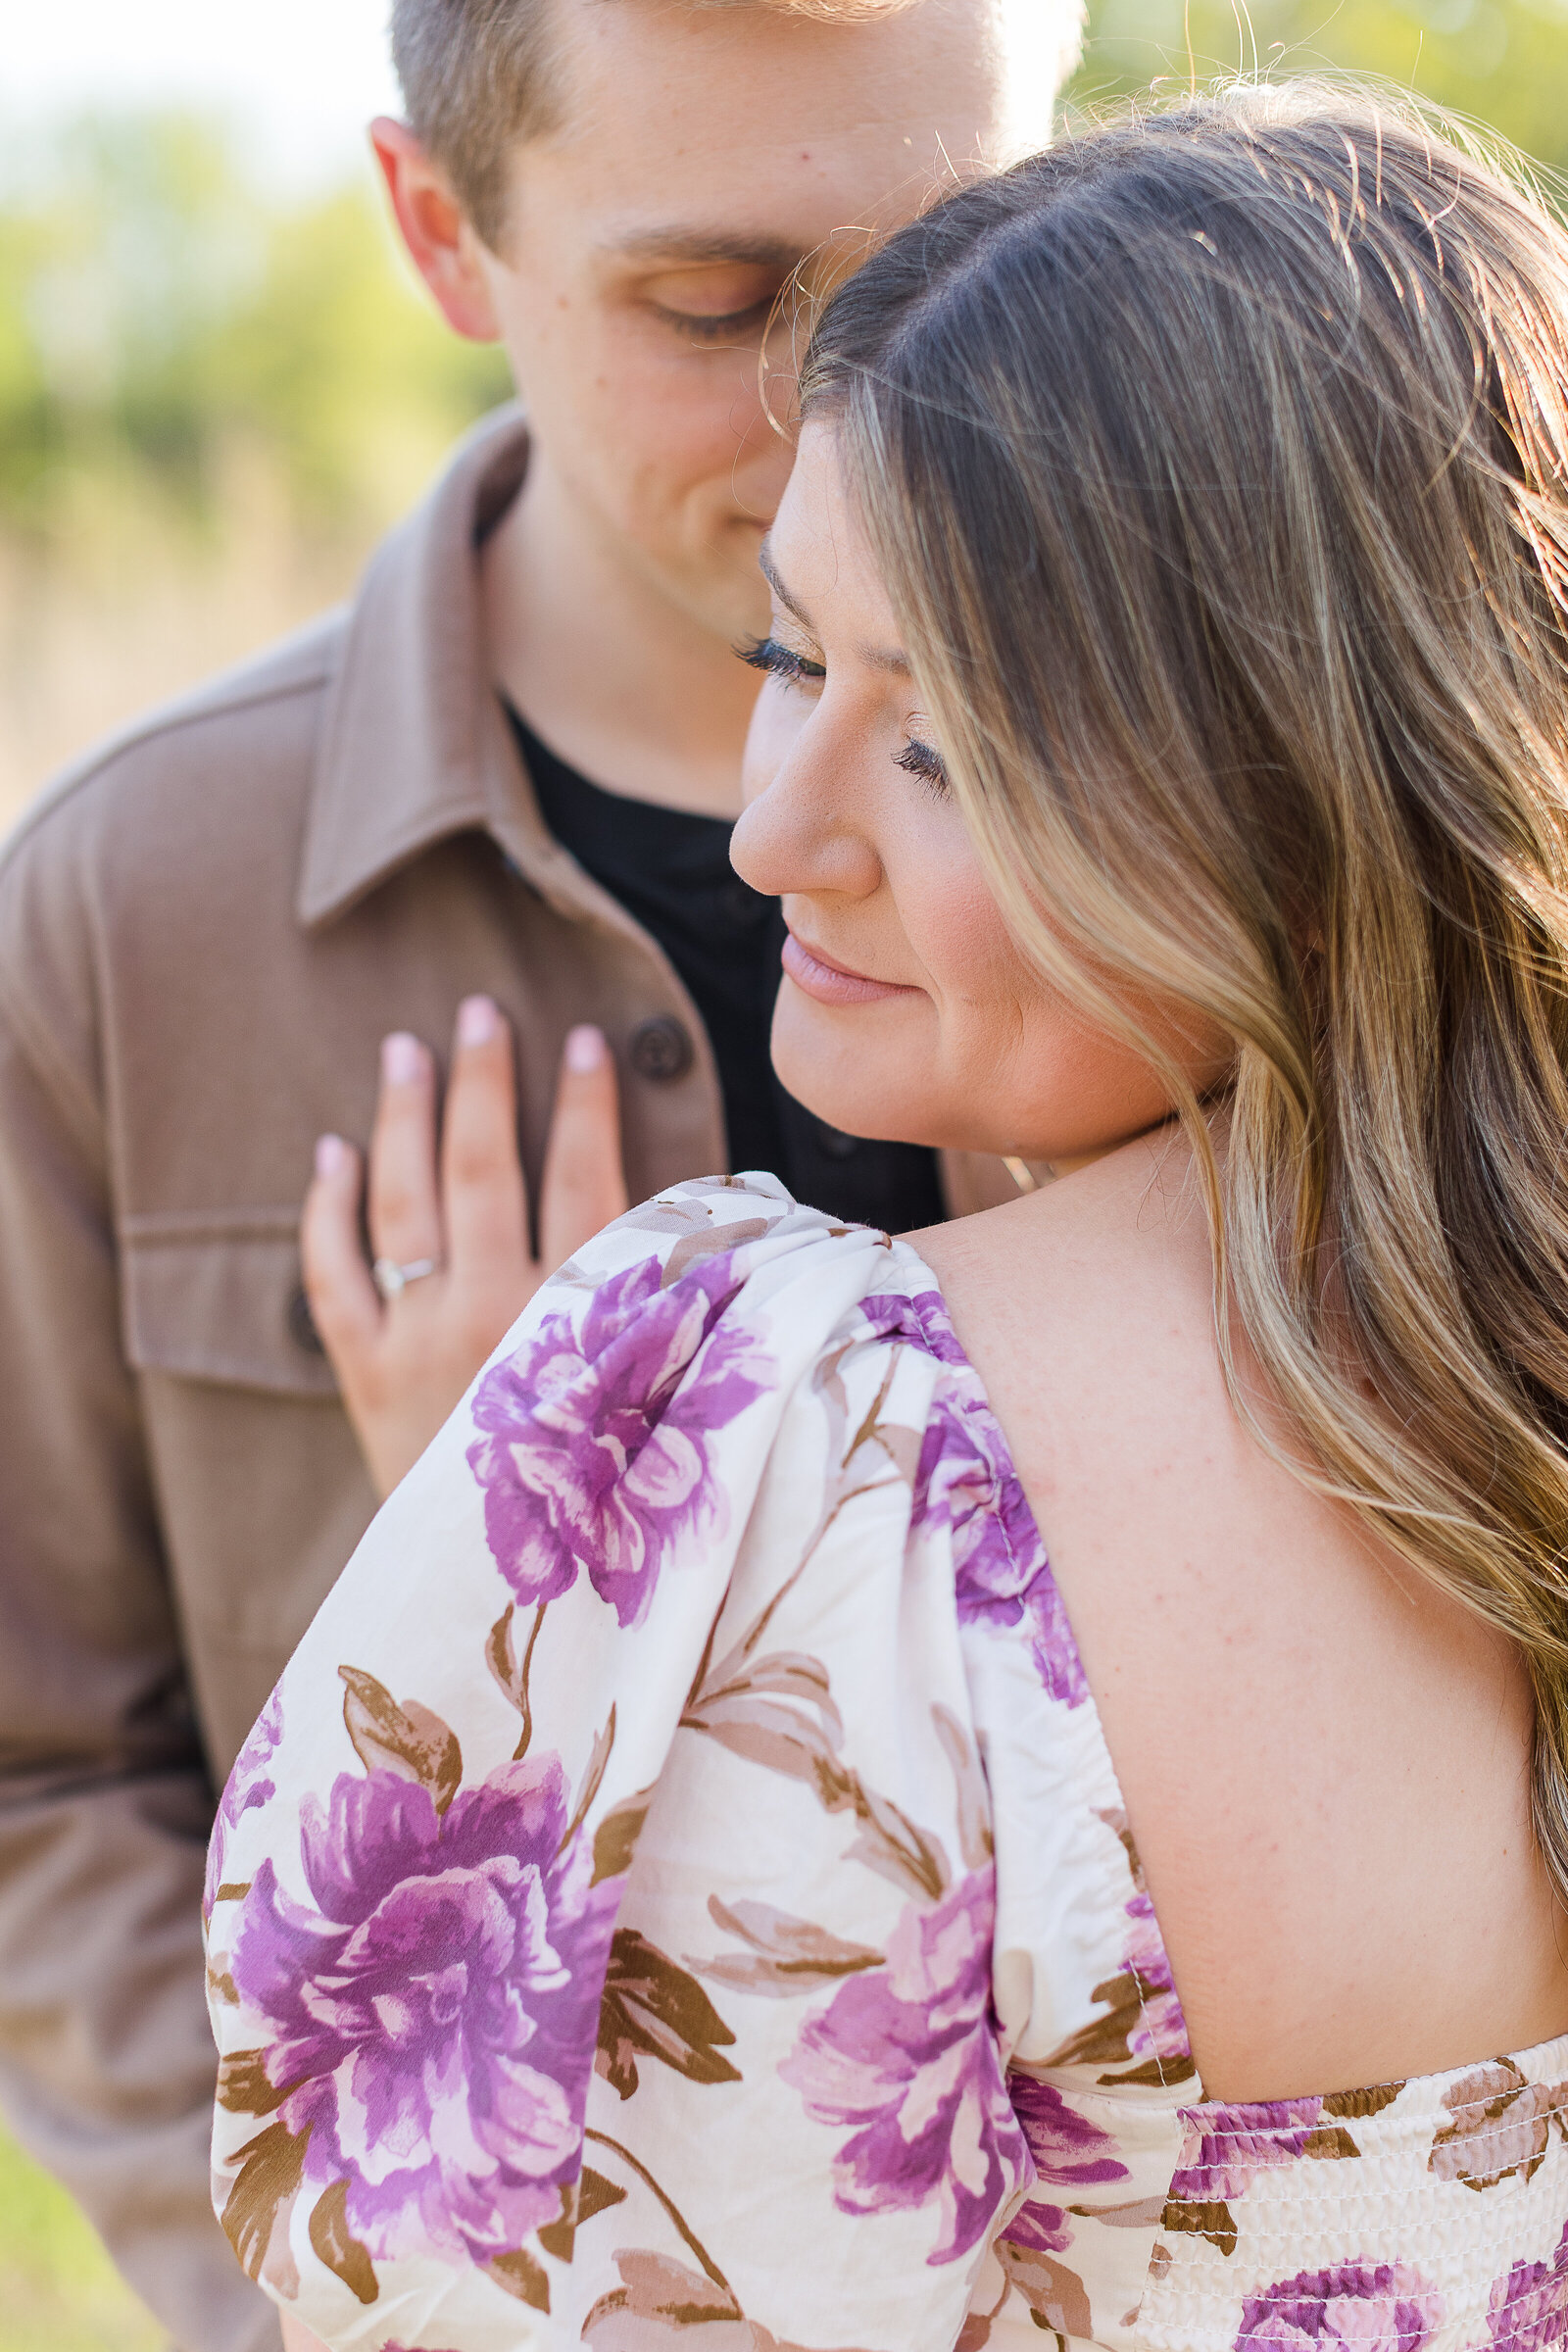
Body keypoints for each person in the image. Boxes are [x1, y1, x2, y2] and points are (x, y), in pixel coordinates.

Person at [208, 81, 1568, 2352]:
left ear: (1298, 779)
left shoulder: (811, 1462)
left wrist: (579, 1585)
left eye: (936, 744)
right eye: (786, 661)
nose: (775, 834)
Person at [0, 5, 1076, 2344]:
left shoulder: (1286, 873)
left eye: (951, 248)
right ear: (437, 231)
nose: (844, 402)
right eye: (712, 305)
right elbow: (43, 1773)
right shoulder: (112, 918)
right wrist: (333, 2290)